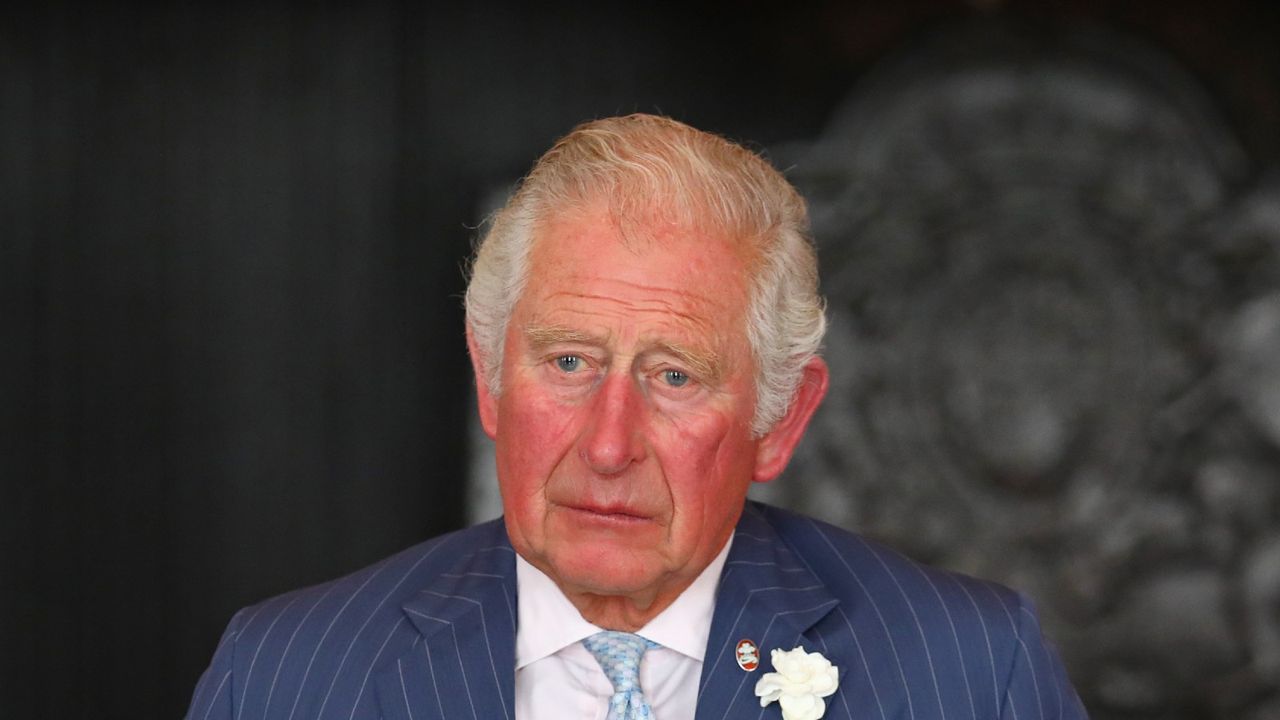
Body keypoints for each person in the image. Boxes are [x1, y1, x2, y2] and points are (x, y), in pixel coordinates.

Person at [186, 114, 1087, 720]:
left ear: (781, 418)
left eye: (676, 376)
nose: (609, 443)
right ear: (490, 379)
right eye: (570, 362)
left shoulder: (970, 674)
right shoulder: (287, 677)